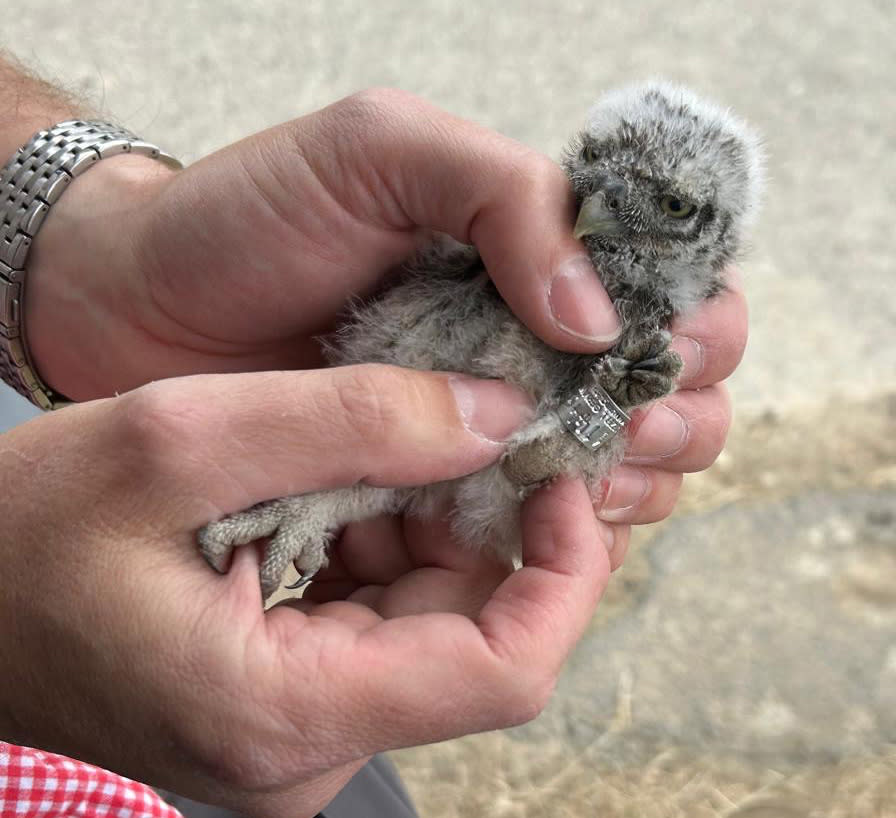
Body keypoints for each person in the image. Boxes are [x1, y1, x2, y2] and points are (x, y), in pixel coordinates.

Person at [0, 56, 748, 818]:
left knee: (550, 462)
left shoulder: (633, 336)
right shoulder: (508, 264)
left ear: (712, 236)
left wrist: (100, 247)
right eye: (595, 162)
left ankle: (329, 501)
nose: (605, 200)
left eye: (671, 206)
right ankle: (318, 504)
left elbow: (518, 479)